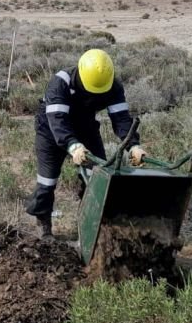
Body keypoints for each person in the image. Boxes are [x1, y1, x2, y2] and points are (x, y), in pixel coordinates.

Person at [25, 49, 147, 238]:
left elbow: (121, 118)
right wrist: (72, 145)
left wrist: (133, 145)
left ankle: (91, 225)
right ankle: (44, 227)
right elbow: (57, 119)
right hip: (50, 129)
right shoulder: (61, 82)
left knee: (98, 177)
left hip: (86, 128)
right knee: (47, 181)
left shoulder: (112, 85)